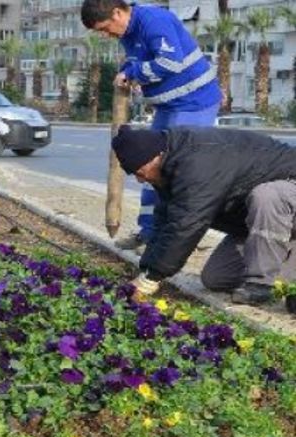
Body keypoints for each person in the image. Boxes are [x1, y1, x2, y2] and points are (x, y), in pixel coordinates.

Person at [81, 0, 221, 252]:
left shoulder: (154, 20)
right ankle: (148, 232)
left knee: (176, 171)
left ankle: (175, 239)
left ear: (117, 12)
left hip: (194, 104)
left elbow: (170, 63)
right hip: (169, 107)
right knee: (149, 166)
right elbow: (137, 59)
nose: (106, 35)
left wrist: (134, 73)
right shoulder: (128, 30)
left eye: (105, 28)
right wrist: (126, 70)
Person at [111, 125, 296, 305]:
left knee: (268, 196)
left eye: (139, 172)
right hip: (267, 223)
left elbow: (187, 223)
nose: (139, 179)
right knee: (216, 278)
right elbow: (166, 222)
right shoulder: (169, 166)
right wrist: (147, 268)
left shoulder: (197, 162)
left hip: (288, 195)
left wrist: (152, 278)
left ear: (155, 157)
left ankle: (260, 285)